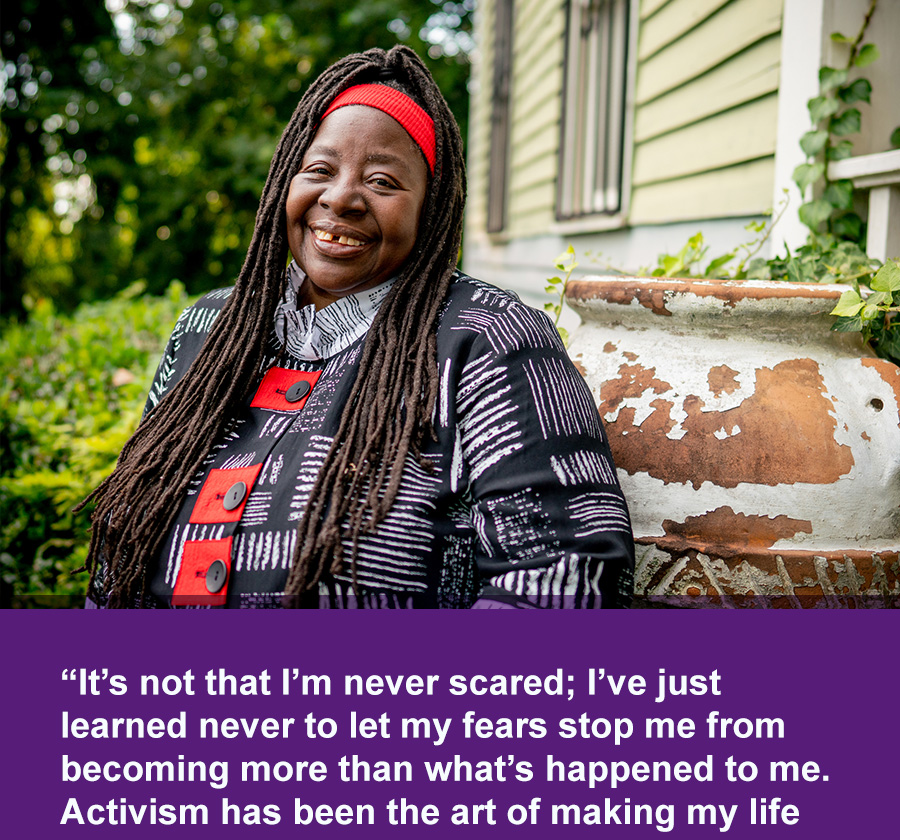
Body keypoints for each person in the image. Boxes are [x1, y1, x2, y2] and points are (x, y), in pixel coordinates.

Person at [80, 45, 634, 609]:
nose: (341, 197)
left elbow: (566, 579)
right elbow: (119, 553)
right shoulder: (209, 329)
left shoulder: (489, 338)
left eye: (383, 182)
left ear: (431, 209)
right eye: (319, 170)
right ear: (284, 184)